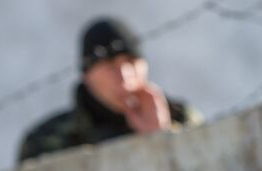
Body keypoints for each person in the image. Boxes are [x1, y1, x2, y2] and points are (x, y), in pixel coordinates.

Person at [17, 17, 201, 163]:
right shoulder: (49, 140)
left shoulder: (182, 118)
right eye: (110, 65)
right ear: (87, 75)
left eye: (131, 62)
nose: (124, 76)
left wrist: (161, 137)